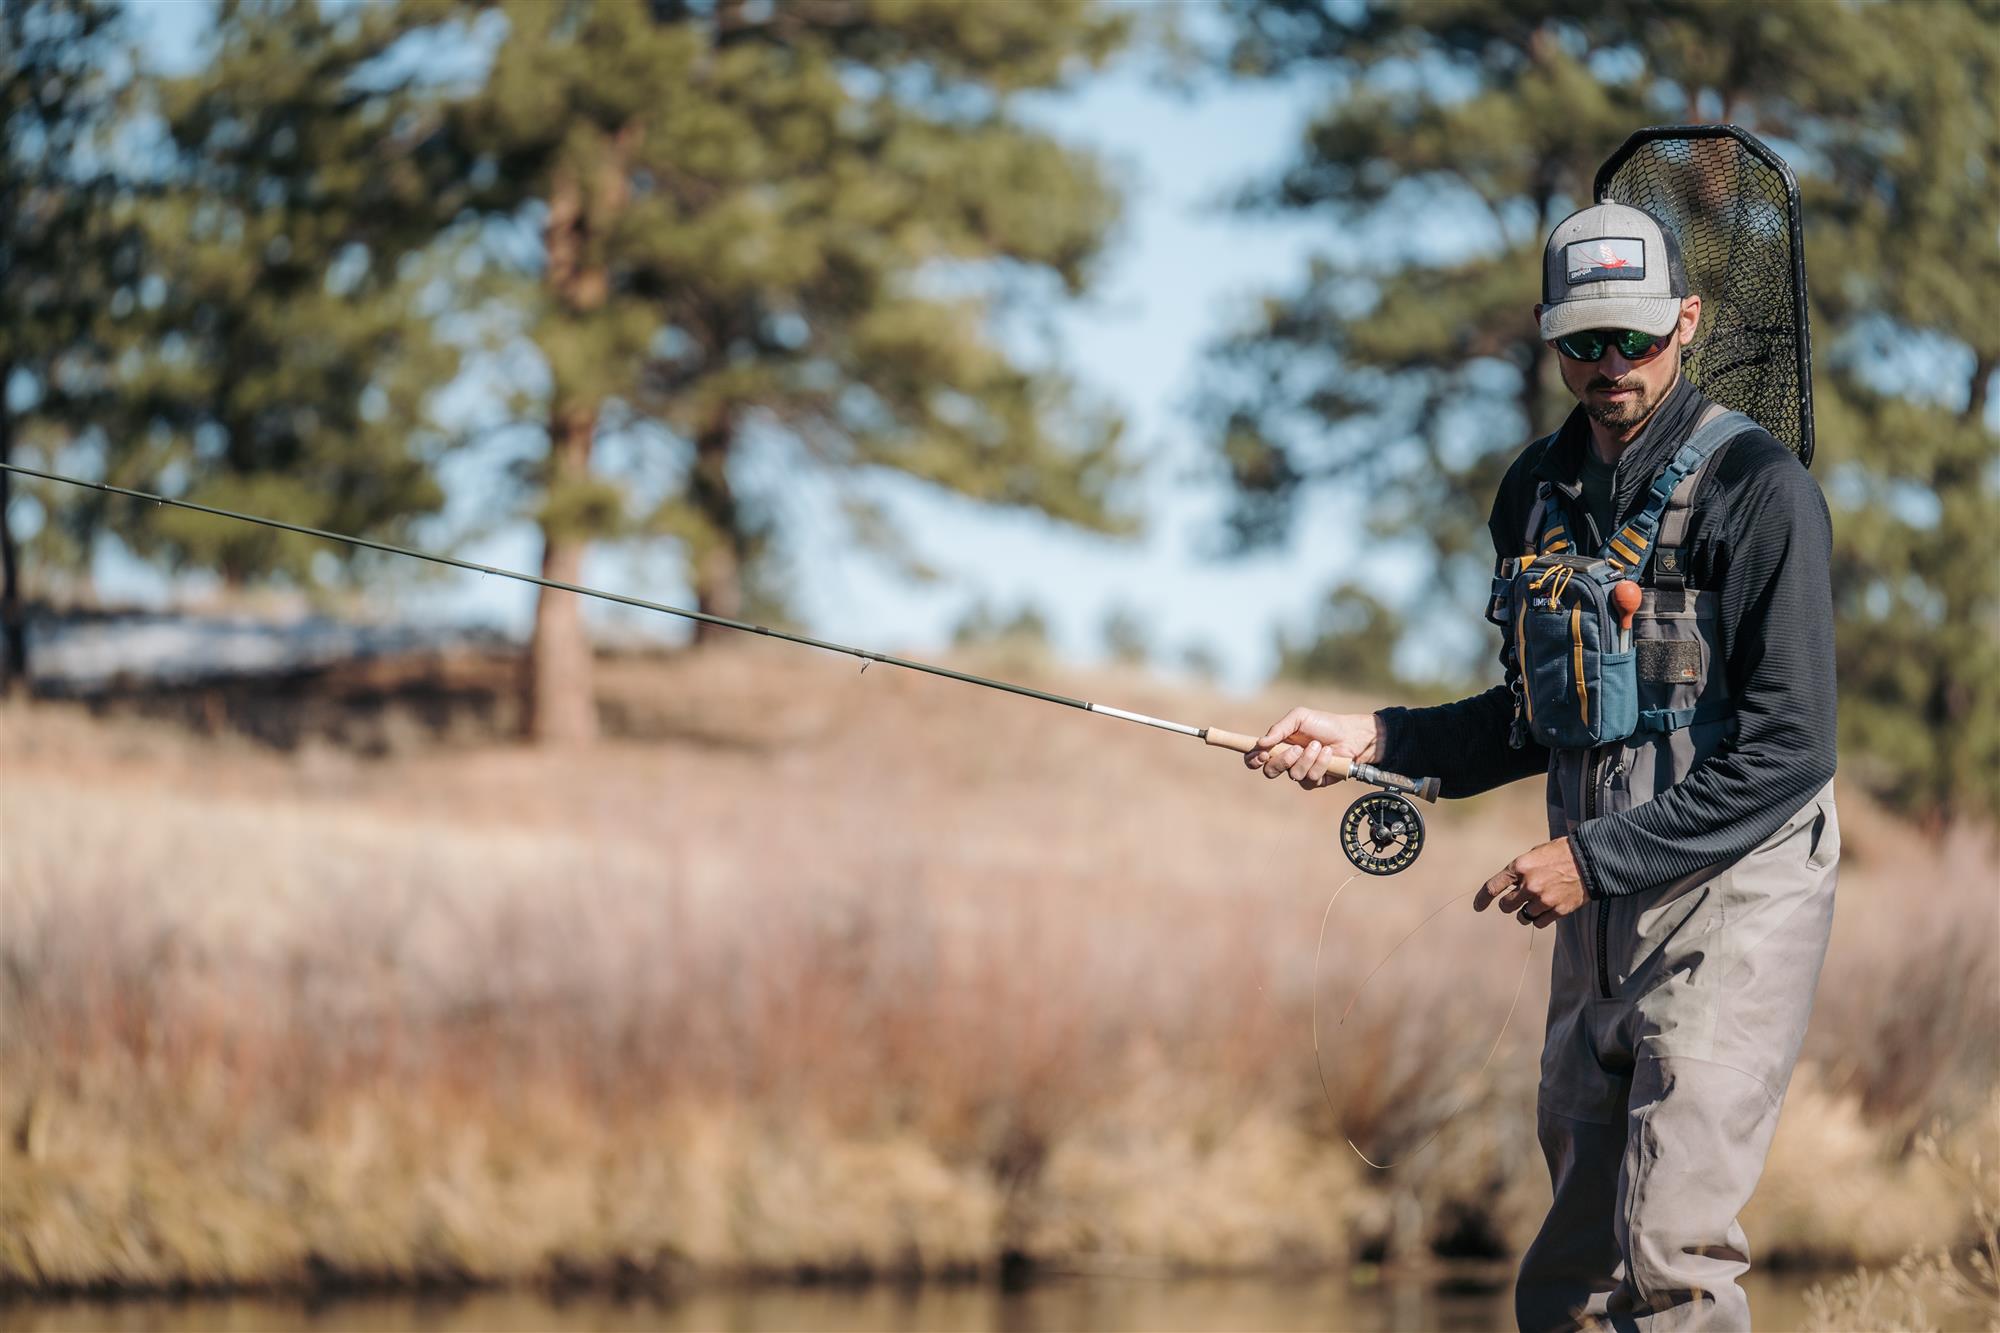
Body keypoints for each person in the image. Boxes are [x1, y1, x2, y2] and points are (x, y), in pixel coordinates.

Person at [1246, 201, 1839, 1332]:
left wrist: (1591, 858)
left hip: (1733, 901)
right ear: (1545, 333)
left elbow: (1790, 748)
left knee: (1672, 1253)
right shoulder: (1532, 494)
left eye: (1634, 337)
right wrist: (1374, 737)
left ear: (1687, 321)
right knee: (1568, 1270)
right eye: (1581, 342)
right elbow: (1532, 719)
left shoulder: (1760, 492)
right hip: (1596, 904)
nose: (1609, 365)